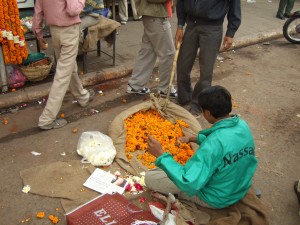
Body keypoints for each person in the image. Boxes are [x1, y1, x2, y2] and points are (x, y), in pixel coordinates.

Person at [145, 85, 258, 209]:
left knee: (151, 177)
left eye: (203, 110)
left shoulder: (212, 144)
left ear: (208, 113)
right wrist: (192, 138)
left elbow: (189, 183)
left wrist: (160, 154)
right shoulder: (241, 124)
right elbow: (225, 144)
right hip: (239, 187)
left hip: (216, 198)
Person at [32, 0, 95, 130]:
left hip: (55, 31)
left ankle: (82, 96)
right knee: (63, 74)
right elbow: (73, 10)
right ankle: (46, 119)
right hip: (69, 31)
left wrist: (39, 35)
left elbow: (38, 13)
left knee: (69, 67)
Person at [175, 0, 241, 117]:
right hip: (191, 26)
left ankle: (197, 104)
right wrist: (180, 25)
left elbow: (234, 7)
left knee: (206, 73)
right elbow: (181, 2)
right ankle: (185, 98)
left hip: (212, 29)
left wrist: (230, 32)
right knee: (182, 66)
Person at [126, 0, 177, 98]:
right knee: (168, 53)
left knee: (148, 51)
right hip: (155, 16)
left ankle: (135, 85)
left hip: (152, 15)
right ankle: (165, 89)